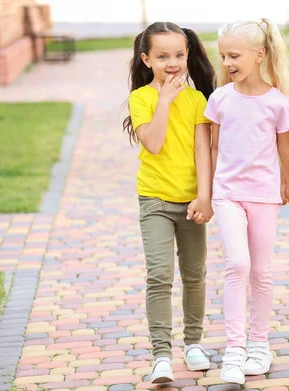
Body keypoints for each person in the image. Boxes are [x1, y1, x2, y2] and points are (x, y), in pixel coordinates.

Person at [204, 18, 289, 385]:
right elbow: (212, 147)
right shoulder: (220, 98)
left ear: (259, 54)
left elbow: (285, 146)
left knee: (261, 271)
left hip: (263, 195)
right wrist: (207, 191)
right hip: (227, 193)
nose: (227, 62)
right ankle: (234, 350)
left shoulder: (277, 102)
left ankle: (259, 344)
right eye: (223, 56)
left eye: (234, 55)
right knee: (237, 264)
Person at [123, 21, 215, 383]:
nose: (172, 63)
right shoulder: (141, 98)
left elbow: (203, 153)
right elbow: (154, 143)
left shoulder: (197, 100)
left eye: (179, 55)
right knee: (160, 276)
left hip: (192, 202)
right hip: (156, 200)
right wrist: (164, 100)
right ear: (147, 59)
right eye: (163, 56)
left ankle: (193, 343)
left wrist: (204, 196)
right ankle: (162, 354)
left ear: (188, 55)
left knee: (195, 275)